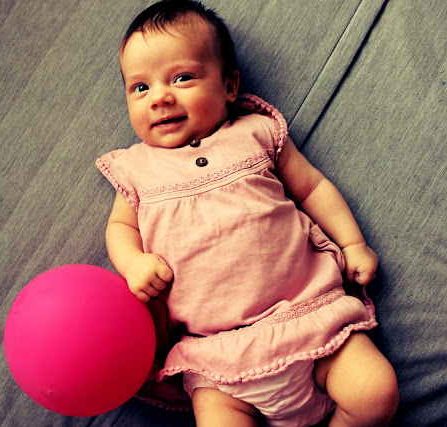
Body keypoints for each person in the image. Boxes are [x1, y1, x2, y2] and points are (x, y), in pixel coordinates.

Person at [96, 1, 398, 425]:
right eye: (140, 87)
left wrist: (353, 243)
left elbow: (312, 188)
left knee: (375, 392)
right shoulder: (135, 168)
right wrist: (132, 263)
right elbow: (120, 226)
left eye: (182, 78)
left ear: (229, 85)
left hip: (311, 319)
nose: (160, 97)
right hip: (219, 359)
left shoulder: (256, 132)